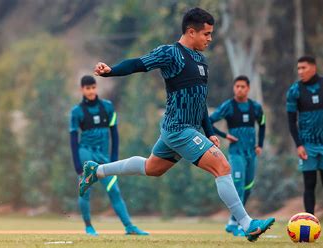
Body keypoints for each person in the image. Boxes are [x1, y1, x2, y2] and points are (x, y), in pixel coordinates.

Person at [78, 8, 274, 242]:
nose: (210, 39)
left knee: (152, 168)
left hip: (184, 129)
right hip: (178, 129)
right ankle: (247, 224)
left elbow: (200, 101)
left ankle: (97, 170)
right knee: (222, 166)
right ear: (191, 32)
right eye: (207, 34)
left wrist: (209, 131)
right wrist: (111, 72)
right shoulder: (171, 53)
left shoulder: (201, 60)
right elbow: (138, 63)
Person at [70, 75, 148, 236]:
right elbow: (73, 138)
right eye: (87, 88)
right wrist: (77, 164)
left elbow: (115, 134)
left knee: (114, 191)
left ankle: (129, 227)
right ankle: (89, 227)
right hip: (86, 153)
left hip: (104, 157)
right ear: (82, 90)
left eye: (93, 87)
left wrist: (114, 159)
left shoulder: (107, 107)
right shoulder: (76, 112)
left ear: (96, 87)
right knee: (85, 190)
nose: (91, 91)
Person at [286, 56, 323, 235]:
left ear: (313, 67)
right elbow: (291, 121)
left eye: (303, 68)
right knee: (309, 184)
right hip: (307, 146)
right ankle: (310, 224)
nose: (300, 71)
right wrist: (299, 145)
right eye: (298, 68)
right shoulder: (294, 90)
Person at [209, 75, 266, 236]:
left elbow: (262, 124)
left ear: (248, 88)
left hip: (251, 153)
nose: (239, 89)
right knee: (239, 186)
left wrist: (260, 144)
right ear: (234, 88)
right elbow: (208, 121)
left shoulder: (255, 107)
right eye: (237, 86)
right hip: (236, 153)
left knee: (248, 187)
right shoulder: (228, 106)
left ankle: (232, 222)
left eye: (243, 86)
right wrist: (225, 135)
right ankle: (238, 225)